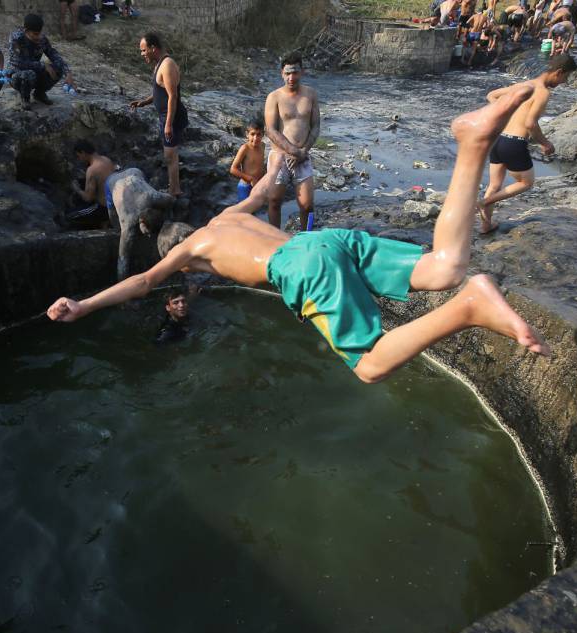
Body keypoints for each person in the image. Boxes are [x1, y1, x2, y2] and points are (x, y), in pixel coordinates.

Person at [47, 88, 551, 383]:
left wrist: (85, 305)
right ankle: (473, 143)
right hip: (321, 241)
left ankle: (470, 308)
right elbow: (267, 184)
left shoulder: (192, 247)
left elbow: (141, 284)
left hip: (301, 267)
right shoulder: (230, 214)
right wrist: (285, 155)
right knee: (445, 266)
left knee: (371, 366)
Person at [479, 54, 575, 234]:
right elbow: (530, 123)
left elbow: (491, 96)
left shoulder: (523, 85)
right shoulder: (543, 92)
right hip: (515, 143)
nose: (563, 82)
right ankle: (484, 202)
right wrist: (545, 143)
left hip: (498, 139)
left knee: (494, 185)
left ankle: (486, 225)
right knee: (526, 183)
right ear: (559, 72)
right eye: (565, 77)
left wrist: (504, 113)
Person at [262, 53, 320, 228]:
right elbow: (270, 130)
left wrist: (303, 151)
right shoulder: (274, 97)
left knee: (307, 205)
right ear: (282, 73)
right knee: (274, 201)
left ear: (302, 72)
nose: (291, 77)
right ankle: (275, 239)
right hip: (280, 157)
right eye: (287, 73)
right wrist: (294, 151)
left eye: (295, 72)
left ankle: (307, 237)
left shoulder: (310, 95)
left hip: (303, 156)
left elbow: (316, 126)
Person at [130, 33, 188, 198]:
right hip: (166, 116)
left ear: (152, 48)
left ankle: (175, 190)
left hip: (172, 116)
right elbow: (159, 92)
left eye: (143, 50)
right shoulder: (159, 64)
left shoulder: (167, 65)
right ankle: (174, 187)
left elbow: (173, 96)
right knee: (170, 155)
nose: (142, 54)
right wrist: (144, 102)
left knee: (170, 156)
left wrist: (168, 124)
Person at [8, 13, 76, 108]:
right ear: (26, 31)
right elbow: (18, 62)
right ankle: (25, 98)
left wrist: (67, 72)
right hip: (17, 75)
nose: (38, 36)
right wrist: (43, 65)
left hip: (35, 72)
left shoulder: (42, 39)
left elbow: (53, 54)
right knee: (28, 74)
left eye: (39, 33)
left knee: (57, 69)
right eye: (35, 34)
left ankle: (39, 93)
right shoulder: (17, 39)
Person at [67, 139, 117, 228]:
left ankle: (102, 222)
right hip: (115, 205)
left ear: (83, 153)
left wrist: (76, 189)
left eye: (78, 156)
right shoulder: (107, 160)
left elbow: (88, 198)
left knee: (70, 216)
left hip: (104, 209)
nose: (79, 159)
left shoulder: (92, 170)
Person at [229, 119, 267, 202]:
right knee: (244, 211)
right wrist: (250, 179)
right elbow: (233, 169)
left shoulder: (262, 146)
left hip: (258, 184)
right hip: (245, 186)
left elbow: (259, 164)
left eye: (258, 134)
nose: (255, 138)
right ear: (247, 134)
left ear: (263, 135)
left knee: (255, 209)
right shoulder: (245, 149)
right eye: (252, 134)